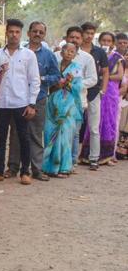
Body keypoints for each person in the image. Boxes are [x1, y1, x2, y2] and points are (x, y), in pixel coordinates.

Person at [6, 21, 60, 181]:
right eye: (34, 31)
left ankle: (36, 170)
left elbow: (56, 76)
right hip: (18, 100)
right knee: (16, 134)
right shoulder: (18, 52)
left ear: (44, 35)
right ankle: (13, 168)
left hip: (39, 99)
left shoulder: (48, 54)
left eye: (40, 32)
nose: (37, 34)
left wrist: (41, 78)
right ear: (28, 33)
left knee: (36, 134)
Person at [0, 19, 40, 185]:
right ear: (6, 33)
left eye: (17, 32)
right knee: (1, 138)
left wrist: (31, 103)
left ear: (21, 34)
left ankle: (25, 172)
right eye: (11, 31)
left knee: (23, 138)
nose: (14, 35)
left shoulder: (28, 55)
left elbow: (35, 80)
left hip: (21, 103)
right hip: (2, 103)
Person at [80, 32, 125, 165]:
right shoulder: (96, 54)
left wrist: (105, 76)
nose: (106, 43)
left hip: (110, 92)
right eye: (103, 40)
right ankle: (88, 154)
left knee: (108, 121)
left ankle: (107, 155)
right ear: (99, 41)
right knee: (94, 123)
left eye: (109, 41)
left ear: (113, 43)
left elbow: (120, 76)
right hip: (95, 89)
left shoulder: (117, 57)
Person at [42, 43, 84, 177]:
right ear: (61, 52)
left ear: (75, 54)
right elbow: (48, 80)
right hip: (53, 102)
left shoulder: (76, 68)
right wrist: (55, 83)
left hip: (68, 104)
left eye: (73, 51)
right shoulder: (55, 65)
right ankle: (49, 166)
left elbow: (78, 87)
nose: (69, 53)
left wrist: (68, 83)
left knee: (65, 135)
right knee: (49, 132)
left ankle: (64, 167)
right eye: (67, 50)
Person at [60, 26, 98, 168]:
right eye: (71, 37)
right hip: (59, 101)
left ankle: (72, 161)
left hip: (77, 101)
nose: (74, 40)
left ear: (81, 40)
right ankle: (59, 160)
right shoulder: (58, 56)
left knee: (75, 133)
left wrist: (75, 84)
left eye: (77, 37)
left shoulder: (87, 58)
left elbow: (93, 79)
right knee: (59, 131)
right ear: (66, 38)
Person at [78, 22, 110, 169]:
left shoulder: (99, 52)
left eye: (92, 33)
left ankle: (94, 159)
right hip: (76, 93)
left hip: (94, 92)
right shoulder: (74, 51)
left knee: (94, 127)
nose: (89, 36)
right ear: (82, 33)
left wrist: (102, 90)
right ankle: (72, 158)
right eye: (87, 33)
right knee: (75, 126)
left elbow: (105, 71)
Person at [115, 33, 128, 159]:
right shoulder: (118, 61)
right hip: (121, 99)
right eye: (121, 42)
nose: (123, 45)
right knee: (122, 125)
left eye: (125, 43)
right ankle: (119, 151)